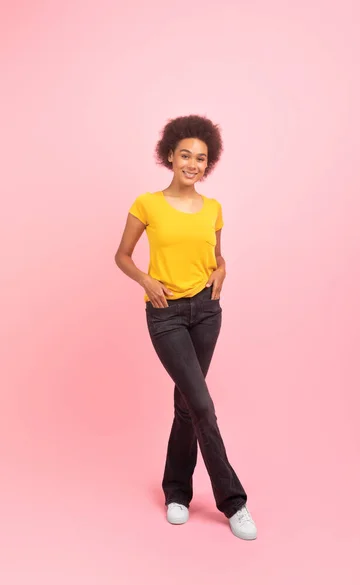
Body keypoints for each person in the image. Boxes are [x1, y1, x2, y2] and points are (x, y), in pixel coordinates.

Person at [115, 115, 257, 541]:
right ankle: (234, 503)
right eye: (185, 156)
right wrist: (145, 279)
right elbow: (122, 255)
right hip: (166, 314)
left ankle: (176, 492)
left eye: (201, 158)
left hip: (207, 311)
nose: (192, 164)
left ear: (207, 163)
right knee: (203, 406)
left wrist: (223, 271)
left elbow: (217, 257)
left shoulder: (213, 208)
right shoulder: (147, 204)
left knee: (186, 407)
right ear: (170, 156)